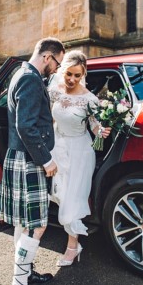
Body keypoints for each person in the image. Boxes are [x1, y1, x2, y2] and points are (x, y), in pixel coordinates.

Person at [0, 37, 64, 285]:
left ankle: (27, 274)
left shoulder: (20, 73)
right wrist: (46, 160)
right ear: (47, 57)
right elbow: (26, 126)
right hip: (29, 160)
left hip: (21, 157)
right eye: (57, 62)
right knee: (37, 226)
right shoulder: (30, 79)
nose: (57, 69)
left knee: (23, 223)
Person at [49, 51, 111, 266]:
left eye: (77, 75)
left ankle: (72, 246)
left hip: (80, 152)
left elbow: (94, 126)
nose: (72, 80)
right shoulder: (54, 93)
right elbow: (49, 120)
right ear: (62, 71)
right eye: (68, 74)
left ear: (83, 74)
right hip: (58, 149)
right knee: (61, 195)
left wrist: (101, 131)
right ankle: (73, 243)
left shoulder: (89, 99)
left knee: (72, 200)